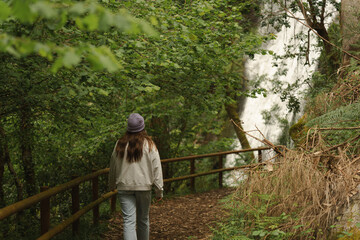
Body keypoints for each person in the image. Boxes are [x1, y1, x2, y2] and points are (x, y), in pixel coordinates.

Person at [108, 113, 163, 240]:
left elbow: (113, 166)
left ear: (128, 128)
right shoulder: (149, 144)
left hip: (124, 187)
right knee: (143, 220)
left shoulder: (119, 144)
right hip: (144, 187)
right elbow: (157, 168)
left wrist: (111, 185)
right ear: (143, 128)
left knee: (128, 222)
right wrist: (159, 190)